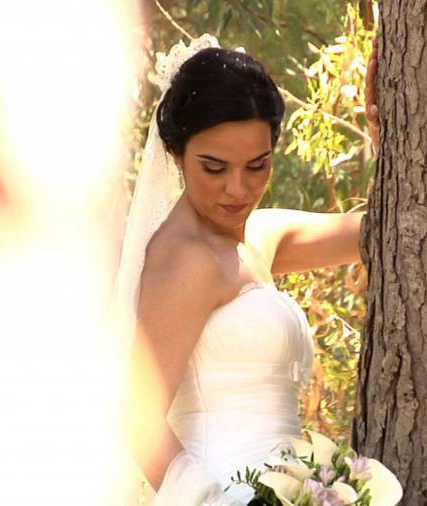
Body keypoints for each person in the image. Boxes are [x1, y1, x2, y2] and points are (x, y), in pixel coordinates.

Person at [118, 35, 380, 505]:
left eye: (257, 166)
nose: (238, 190)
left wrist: (389, 142)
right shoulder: (185, 258)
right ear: (176, 153)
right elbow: (138, 417)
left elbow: (383, 231)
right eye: (214, 168)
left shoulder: (256, 238)